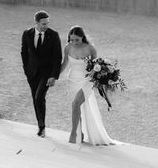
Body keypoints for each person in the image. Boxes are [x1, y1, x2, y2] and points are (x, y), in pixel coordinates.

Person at [61, 25, 116, 145]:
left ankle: (73, 133)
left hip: (88, 81)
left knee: (76, 104)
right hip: (72, 80)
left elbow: (97, 67)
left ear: (82, 37)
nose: (74, 42)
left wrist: (103, 77)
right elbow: (65, 63)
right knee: (76, 107)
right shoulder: (67, 48)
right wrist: (54, 76)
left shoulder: (90, 49)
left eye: (77, 40)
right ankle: (80, 133)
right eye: (72, 40)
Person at [21, 10, 62, 138]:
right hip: (32, 73)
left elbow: (57, 57)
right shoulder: (27, 34)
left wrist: (53, 76)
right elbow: (24, 53)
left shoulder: (54, 35)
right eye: (43, 24)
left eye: (47, 23)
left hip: (46, 73)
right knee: (35, 99)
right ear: (37, 23)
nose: (46, 26)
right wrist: (26, 70)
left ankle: (42, 127)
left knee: (39, 97)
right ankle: (40, 125)